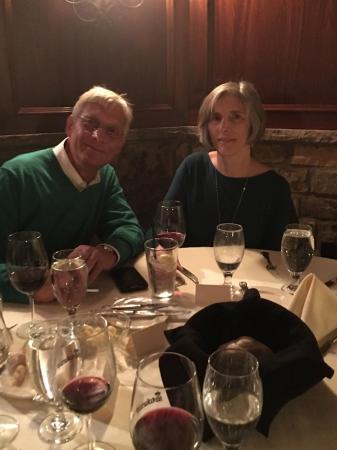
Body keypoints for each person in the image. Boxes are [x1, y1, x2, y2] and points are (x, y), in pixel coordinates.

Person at [0, 86, 144, 303]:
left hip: (76, 303)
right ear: (70, 125)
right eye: (90, 124)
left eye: (111, 131)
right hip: (19, 309)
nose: (98, 137)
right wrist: (42, 287)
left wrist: (107, 252)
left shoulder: (105, 176)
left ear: (120, 144)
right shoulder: (15, 175)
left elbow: (130, 229)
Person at [165, 81, 297, 250]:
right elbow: (164, 227)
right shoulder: (192, 168)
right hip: (194, 275)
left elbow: (282, 257)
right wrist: (162, 251)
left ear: (253, 124)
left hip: (252, 277)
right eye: (216, 118)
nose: (224, 127)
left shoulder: (275, 188)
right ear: (207, 126)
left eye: (236, 117)